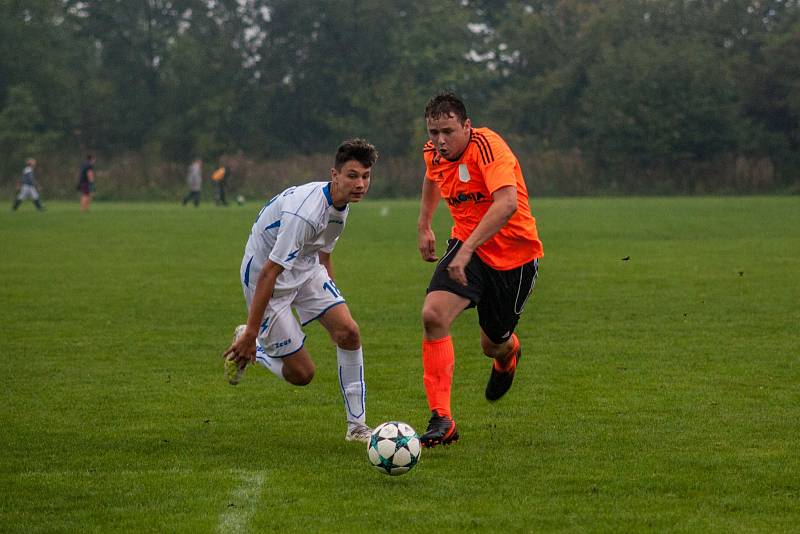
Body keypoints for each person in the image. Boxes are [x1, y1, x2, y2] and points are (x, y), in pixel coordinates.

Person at [222, 138, 378, 443]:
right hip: (265, 278)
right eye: (352, 175)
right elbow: (270, 271)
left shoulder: (340, 205)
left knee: (349, 332)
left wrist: (332, 300)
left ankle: (357, 428)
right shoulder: (305, 214)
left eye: (366, 176)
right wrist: (252, 334)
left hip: (304, 267)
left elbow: (324, 254)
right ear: (334, 174)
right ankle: (253, 345)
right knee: (302, 375)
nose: (360, 184)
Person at [416, 93, 543, 448]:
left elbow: (507, 203)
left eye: (448, 131)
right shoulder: (434, 152)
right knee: (433, 315)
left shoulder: (489, 148)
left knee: (493, 344)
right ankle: (442, 419)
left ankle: (508, 354)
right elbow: (431, 177)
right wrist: (424, 224)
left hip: (514, 259)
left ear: (467, 126)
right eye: (434, 132)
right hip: (466, 250)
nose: (440, 141)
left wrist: (468, 248)